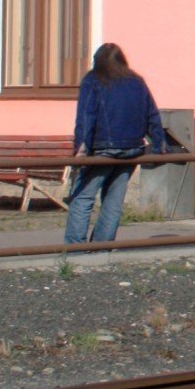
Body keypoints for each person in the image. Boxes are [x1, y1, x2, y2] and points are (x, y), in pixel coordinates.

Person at [66, 43, 169, 244]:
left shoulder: (93, 80)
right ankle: (102, 248)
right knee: (113, 201)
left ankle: (75, 249)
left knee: (82, 198)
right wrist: (159, 145)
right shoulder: (136, 81)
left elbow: (86, 116)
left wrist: (80, 147)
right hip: (132, 149)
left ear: (97, 61)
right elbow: (152, 115)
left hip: (102, 149)